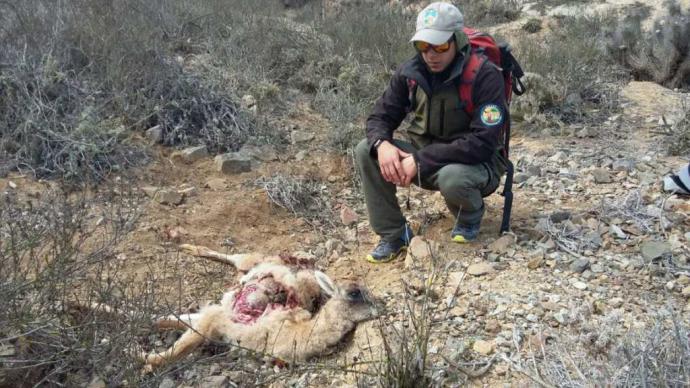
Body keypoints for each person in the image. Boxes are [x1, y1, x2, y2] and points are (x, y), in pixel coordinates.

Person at [354, 2, 508, 263]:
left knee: (453, 178)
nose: (430, 54)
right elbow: (379, 116)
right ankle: (394, 235)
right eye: (423, 46)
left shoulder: (484, 75)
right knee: (364, 150)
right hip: (425, 158)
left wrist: (420, 160)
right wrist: (382, 144)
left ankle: (469, 216)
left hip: (476, 164)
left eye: (440, 46)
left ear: (457, 40)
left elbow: (483, 142)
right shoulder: (410, 73)